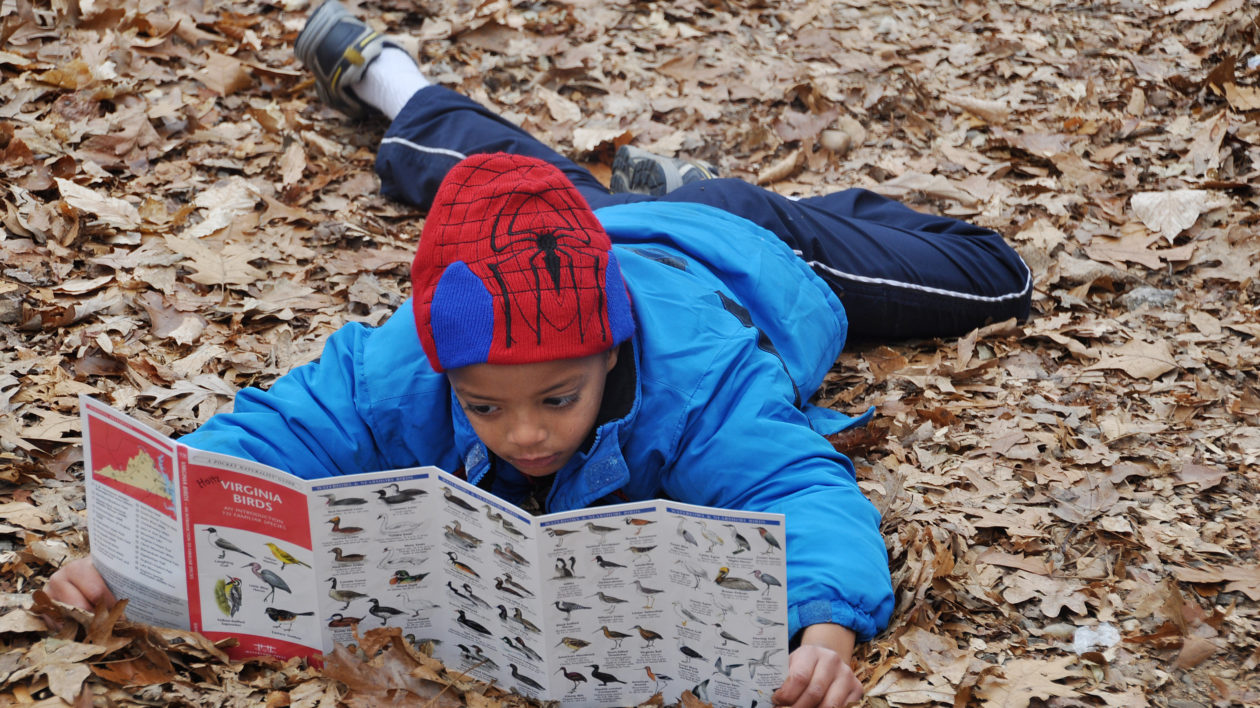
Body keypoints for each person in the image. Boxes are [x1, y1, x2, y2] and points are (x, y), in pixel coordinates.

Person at [48, 3, 1032, 706]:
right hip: (564, 234)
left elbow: (798, 486)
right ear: (446, 371)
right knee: (482, 179)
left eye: (558, 399)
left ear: (611, 355)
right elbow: (285, 428)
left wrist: (823, 630)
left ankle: (690, 183)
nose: (523, 434)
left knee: (988, 281)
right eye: (483, 407)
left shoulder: (697, 381)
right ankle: (394, 81)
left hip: (728, 246)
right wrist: (141, 540)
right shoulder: (411, 358)